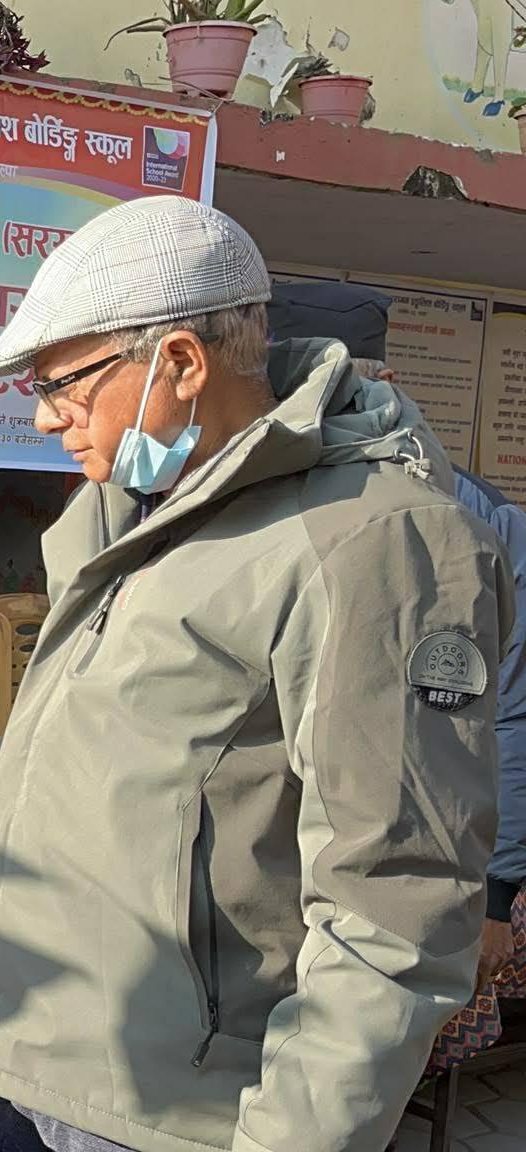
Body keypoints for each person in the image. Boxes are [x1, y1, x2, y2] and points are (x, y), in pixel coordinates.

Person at [0, 197, 510, 1151]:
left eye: (62, 382)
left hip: (176, 1111)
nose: (43, 416)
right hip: (33, 1050)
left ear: (183, 364)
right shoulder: (133, 509)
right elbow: (104, 729)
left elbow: (395, 904)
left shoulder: (373, 544)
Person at [267, 279, 526, 994]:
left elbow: (507, 710)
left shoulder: (479, 521)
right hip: (260, 854)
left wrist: (496, 893)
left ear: (382, 378)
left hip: (394, 857)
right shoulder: (232, 504)